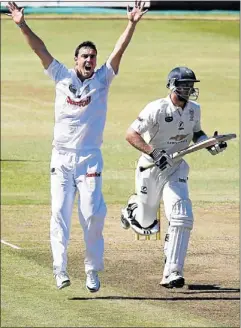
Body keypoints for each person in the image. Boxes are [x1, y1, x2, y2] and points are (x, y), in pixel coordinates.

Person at [6, 0, 148, 292]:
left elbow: (119, 51)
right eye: (85, 56)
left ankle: (92, 270)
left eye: (93, 57)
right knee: (59, 211)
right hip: (61, 156)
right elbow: (39, 49)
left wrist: (131, 23)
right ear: (75, 59)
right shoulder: (61, 75)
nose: (89, 60)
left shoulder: (103, 80)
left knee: (92, 214)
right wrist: (21, 24)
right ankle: (60, 269)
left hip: (90, 158)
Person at [121, 66, 227, 288]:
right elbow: (131, 134)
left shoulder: (194, 109)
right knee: (147, 225)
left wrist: (211, 146)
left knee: (182, 216)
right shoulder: (156, 109)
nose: (188, 89)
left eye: (191, 85)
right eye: (183, 85)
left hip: (176, 168)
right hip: (150, 168)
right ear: (172, 86)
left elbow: (197, 133)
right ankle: (132, 210)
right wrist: (153, 152)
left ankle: (172, 272)